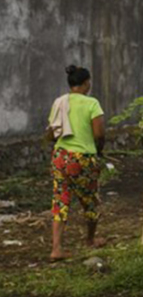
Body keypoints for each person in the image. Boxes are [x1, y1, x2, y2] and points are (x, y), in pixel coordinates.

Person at [47, 65, 106, 261]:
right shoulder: (92, 103)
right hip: (82, 158)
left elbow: (51, 132)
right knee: (89, 200)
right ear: (86, 83)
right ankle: (90, 240)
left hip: (60, 157)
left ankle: (56, 248)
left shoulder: (59, 102)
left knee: (60, 200)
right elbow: (99, 134)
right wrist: (100, 150)